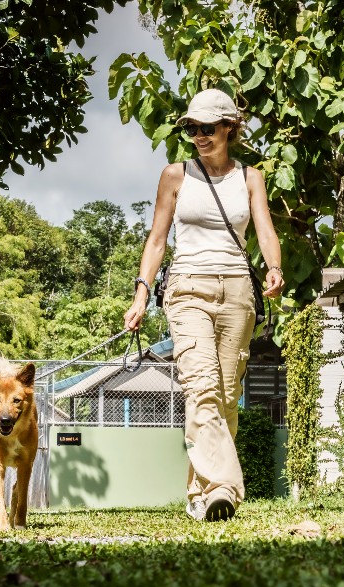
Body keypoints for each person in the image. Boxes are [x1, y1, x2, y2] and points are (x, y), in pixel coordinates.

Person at [124, 88, 284, 522]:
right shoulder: (174, 175)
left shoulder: (250, 177)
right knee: (203, 389)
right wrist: (141, 293)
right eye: (192, 128)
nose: (198, 135)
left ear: (230, 128)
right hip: (187, 288)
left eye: (207, 128)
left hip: (237, 291)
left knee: (227, 397)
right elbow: (157, 239)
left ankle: (200, 494)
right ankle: (224, 487)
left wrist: (273, 267)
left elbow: (265, 229)